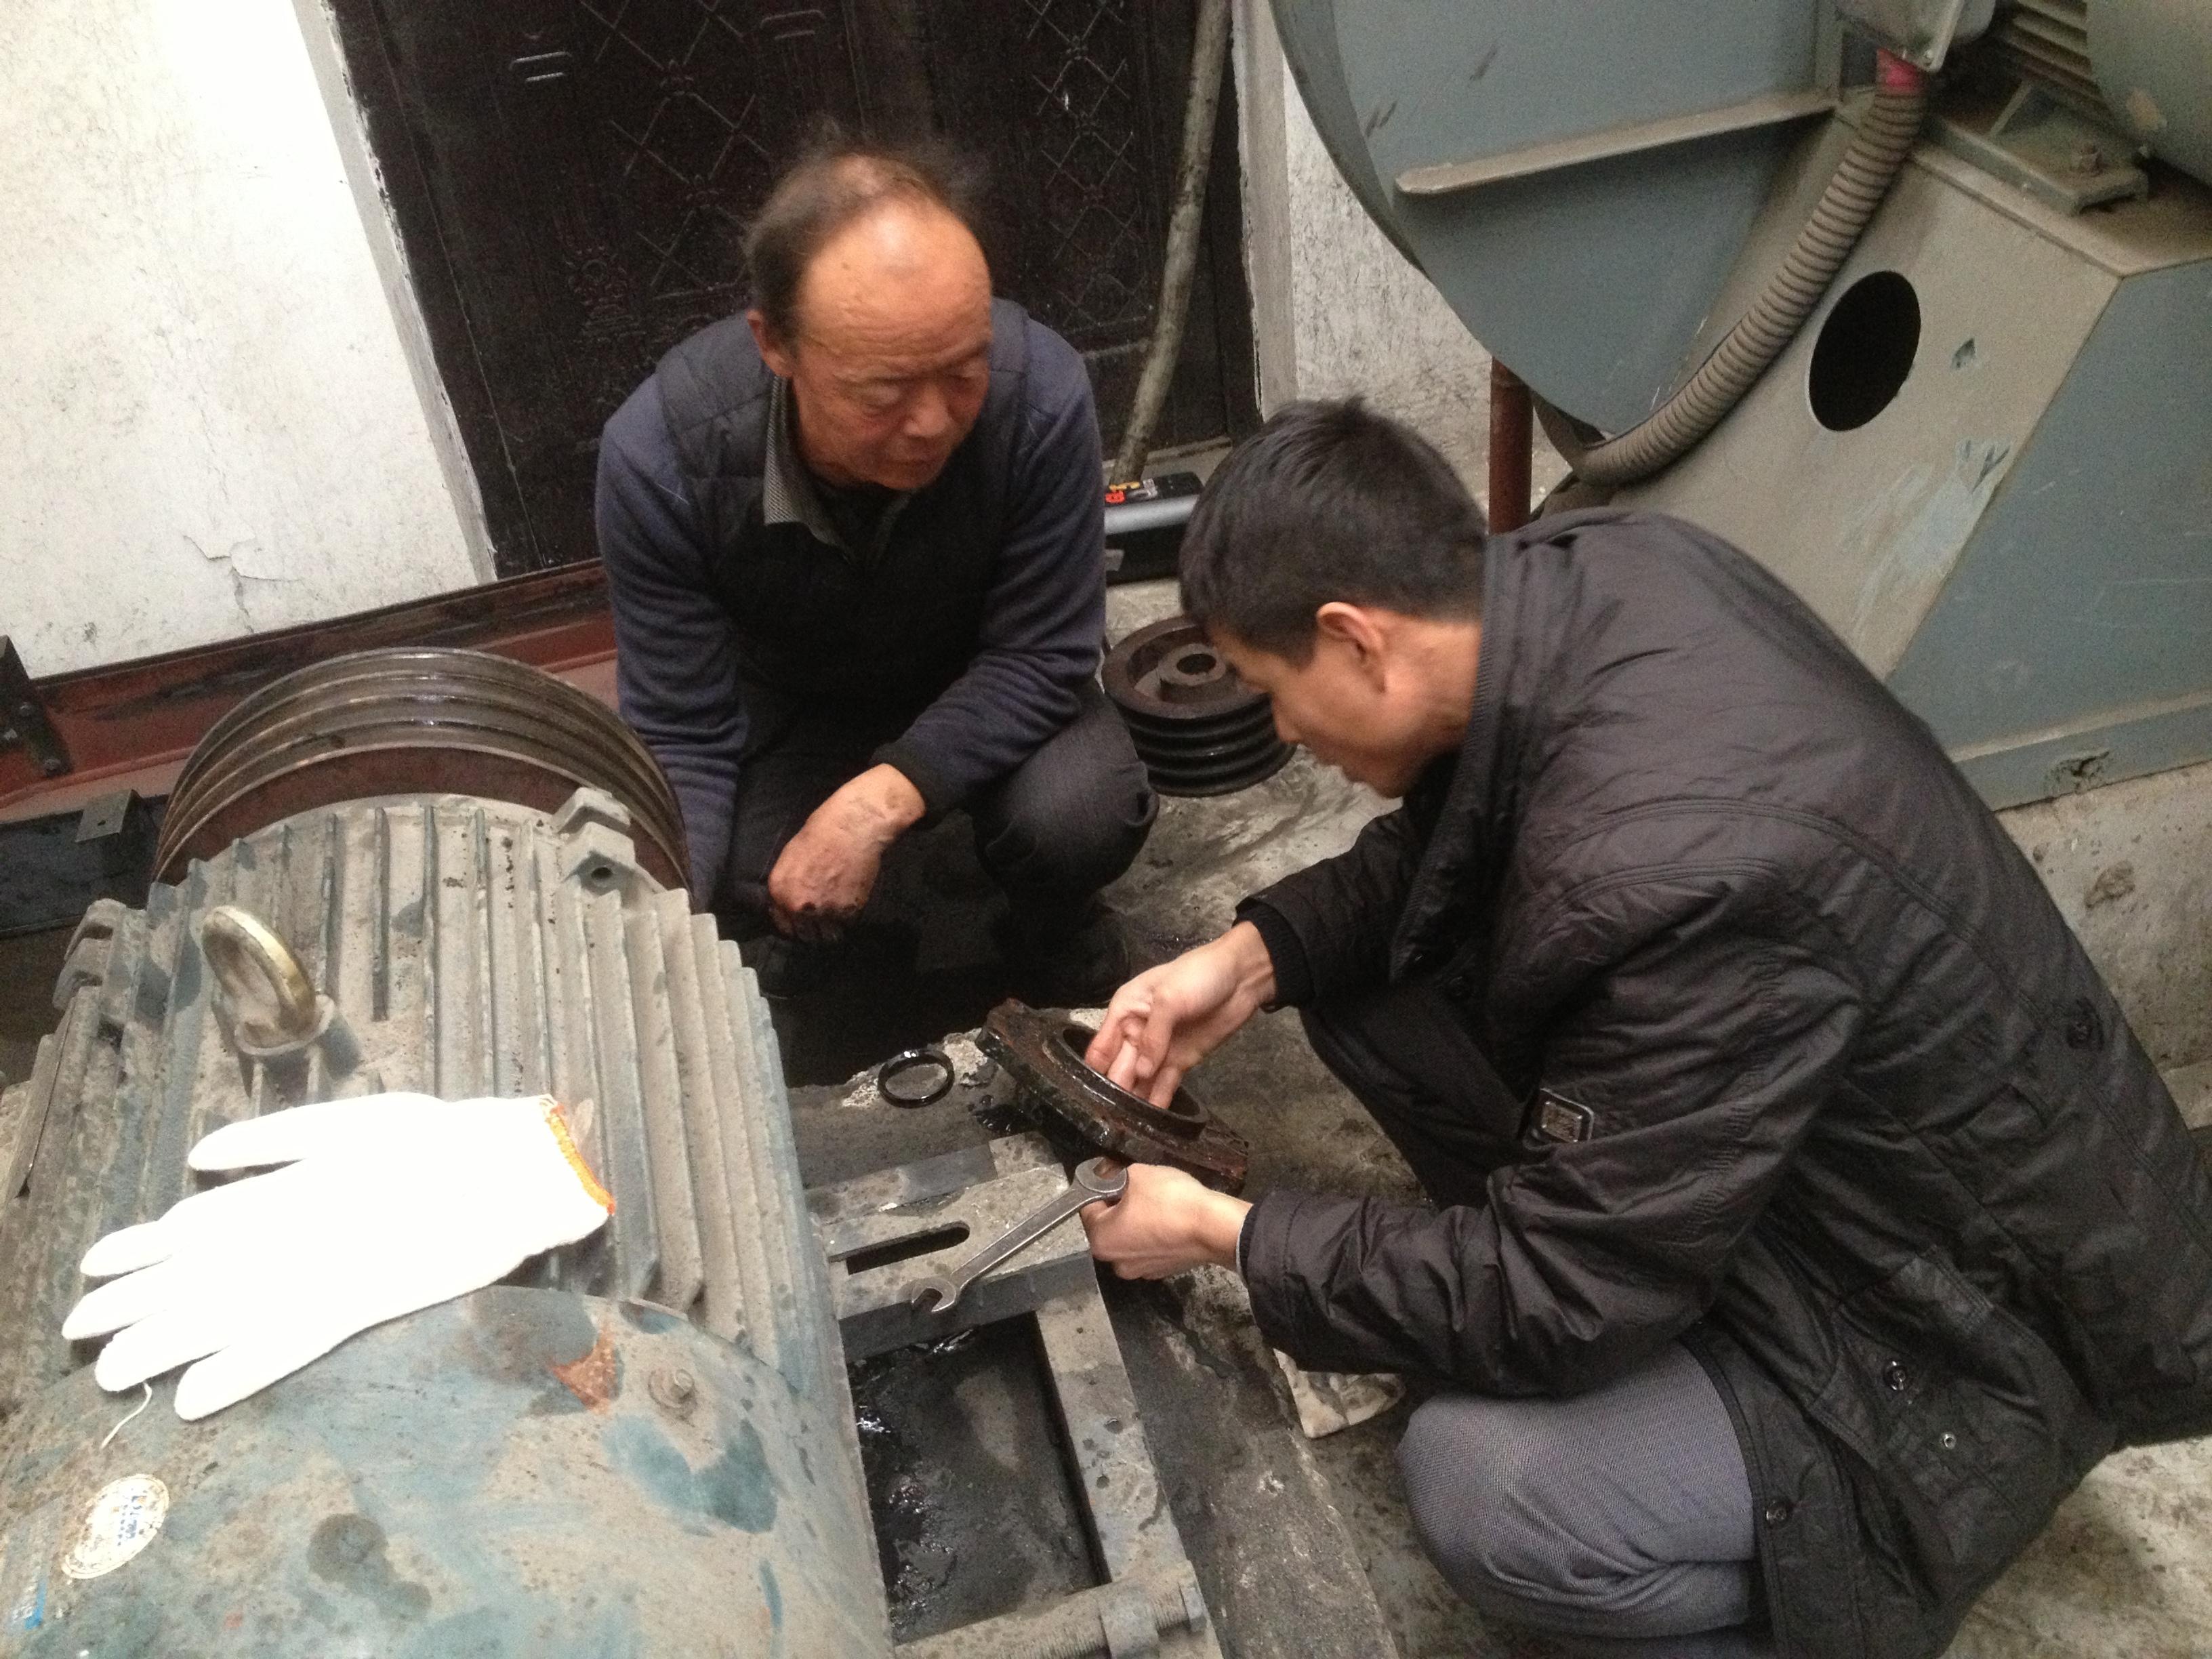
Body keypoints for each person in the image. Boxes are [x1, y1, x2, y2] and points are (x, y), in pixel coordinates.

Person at [1076, 398, 2212, 1658]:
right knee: (1367, 979)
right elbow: (1451, 842)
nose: (1285, 736)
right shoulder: (1589, 577)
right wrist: (1244, 962)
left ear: (1355, 638)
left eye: (1277, 695)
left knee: (1487, 1487)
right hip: (1834, 1167)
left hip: (1946, 1324)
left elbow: (1560, 1293)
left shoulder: (1678, 879)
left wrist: (1226, 1233)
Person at [595, 138, 1154, 996]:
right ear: (775, 344)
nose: (931, 423)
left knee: (1080, 814)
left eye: (963, 371)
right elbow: (683, 733)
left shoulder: (1039, 393)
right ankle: (841, 954)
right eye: (883, 392)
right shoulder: (662, 461)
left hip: (985, 672)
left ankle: (1053, 924)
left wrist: (874, 804)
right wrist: (667, 935)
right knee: (748, 872)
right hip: (798, 706)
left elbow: (1044, 652)